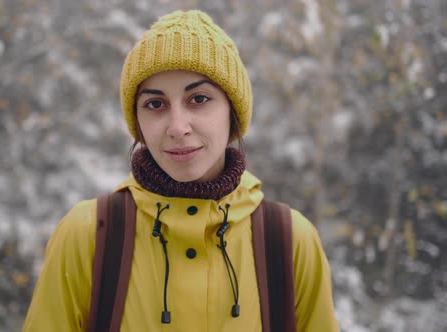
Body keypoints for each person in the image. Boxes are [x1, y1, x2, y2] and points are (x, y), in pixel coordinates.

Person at [22, 9, 339, 331]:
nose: (177, 127)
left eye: (199, 99)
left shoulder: (288, 240)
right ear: (138, 123)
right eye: (155, 104)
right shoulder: (90, 234)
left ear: (232, 110)